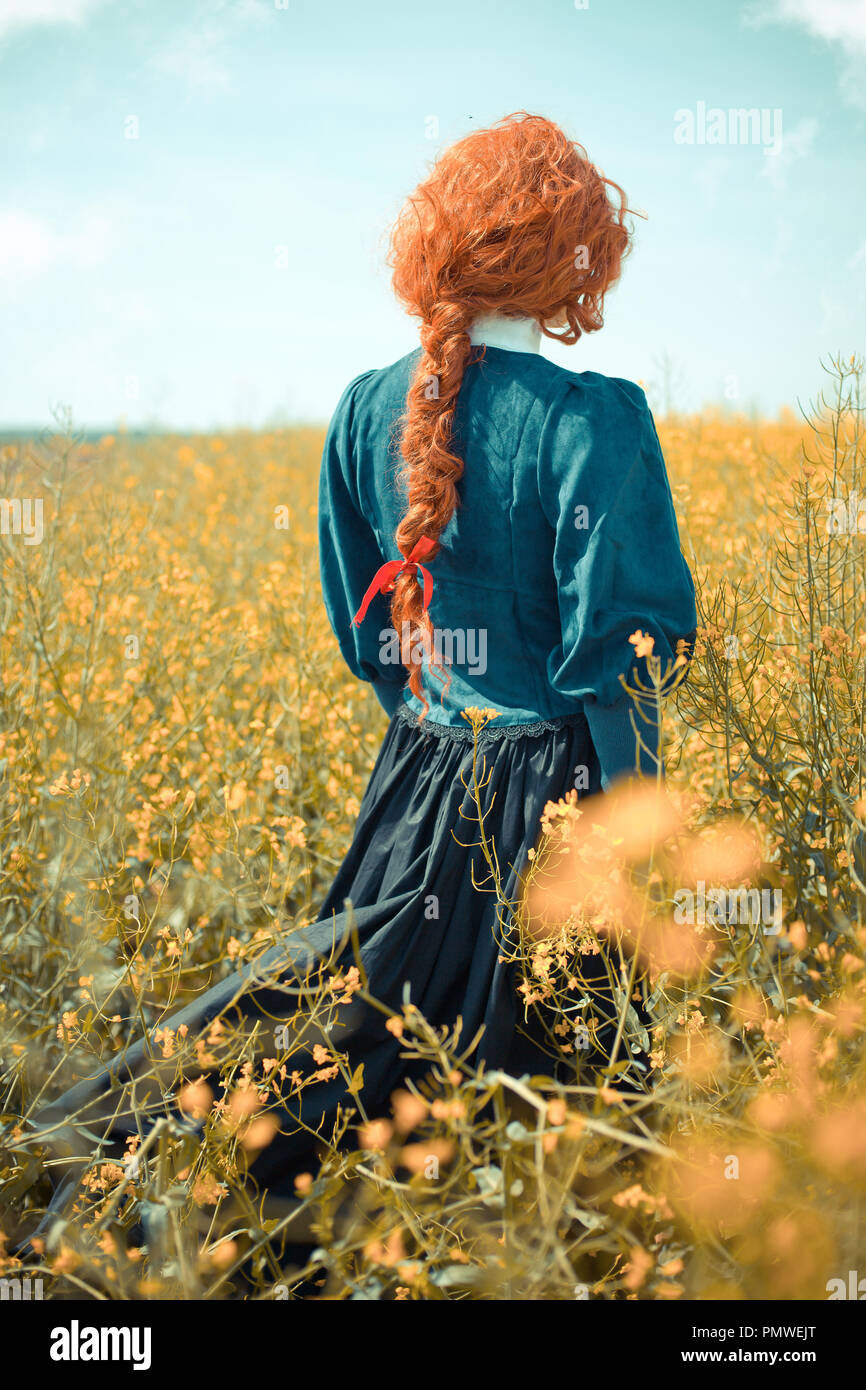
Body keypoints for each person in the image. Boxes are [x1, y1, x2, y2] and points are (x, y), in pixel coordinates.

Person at [27, 111, 696, 1219]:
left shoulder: (359, 409)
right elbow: (617, 659)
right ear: (576, 257)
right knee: (547, 1105)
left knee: (357, 1050)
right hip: (559, 796)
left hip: (413, 782)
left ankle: (161, 1198)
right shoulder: (598, 421)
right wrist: (634, 835)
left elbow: (369, 638)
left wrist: (437, 721)